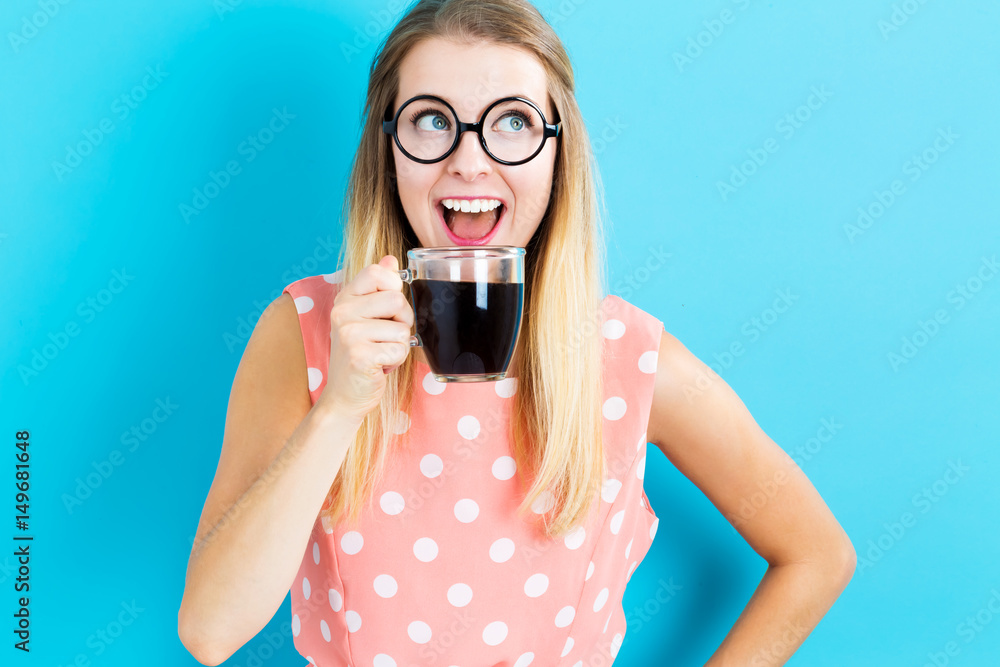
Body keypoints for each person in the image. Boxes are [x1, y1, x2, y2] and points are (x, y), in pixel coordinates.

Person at [178, 1, 856, 665]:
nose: (469, 161)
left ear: (558, 153)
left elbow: (817, 554)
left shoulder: (628, 361)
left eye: (511, 122)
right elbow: (211, 631)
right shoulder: (305, 335)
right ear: (389, 152)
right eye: (432, 120)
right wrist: (341, 407)